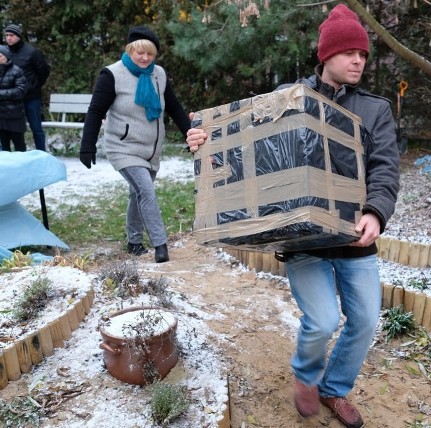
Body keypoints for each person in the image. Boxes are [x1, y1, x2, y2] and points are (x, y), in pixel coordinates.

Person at [186, 4, 400, 427]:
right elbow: (248, 144)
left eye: (363, 55)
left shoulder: (374, 110)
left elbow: (386, 168)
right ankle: (306, 376)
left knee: (365, 321)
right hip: (303, 238)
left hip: (355, 238)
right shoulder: (289, 99)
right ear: (326, 56)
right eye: (349, 53)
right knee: (321, 321)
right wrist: (204, 140)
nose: (358, 61)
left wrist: (376, 212)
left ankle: (334, 389)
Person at [79, 26, 191, 263]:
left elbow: (174, 107)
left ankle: (134, 242)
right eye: (139, 52)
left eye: (150, 54)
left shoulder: (158, 74)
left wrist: (189, 135)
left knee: (137, 193)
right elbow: (95, 110)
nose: (144, 58)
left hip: (151, 151)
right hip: (123, 148)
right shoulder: (112, 75)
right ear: (129, 50)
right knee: (146, 192)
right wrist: (87, 145)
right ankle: (160, 245)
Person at [4, 24, 50, 151]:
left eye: (11, 35)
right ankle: (19, 155)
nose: (8, 38)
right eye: (6, 35)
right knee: (14, 129)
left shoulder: (32, 52)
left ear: (18, 36)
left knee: (36, 128)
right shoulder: (5, 53)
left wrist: (33, 87)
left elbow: (44, 72)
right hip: (13, 99)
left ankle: (42, 154)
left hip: (31, 98)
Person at [0, 44, 28, 152]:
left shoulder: (17, 71)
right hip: (1, 116)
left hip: (15, 115)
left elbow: (21, 91)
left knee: (19, 146)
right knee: (4, 148)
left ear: (6, 57)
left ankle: (24, 168)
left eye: (0, 56)